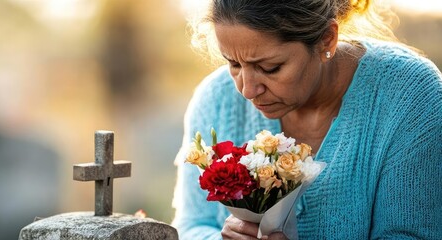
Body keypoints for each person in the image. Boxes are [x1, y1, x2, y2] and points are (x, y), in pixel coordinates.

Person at [172, 0, 442, 239]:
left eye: (270, 68)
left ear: (327, 39)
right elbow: (191, 225)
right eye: (233, 64)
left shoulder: (411, 96)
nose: (247, 90)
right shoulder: (216, 99)